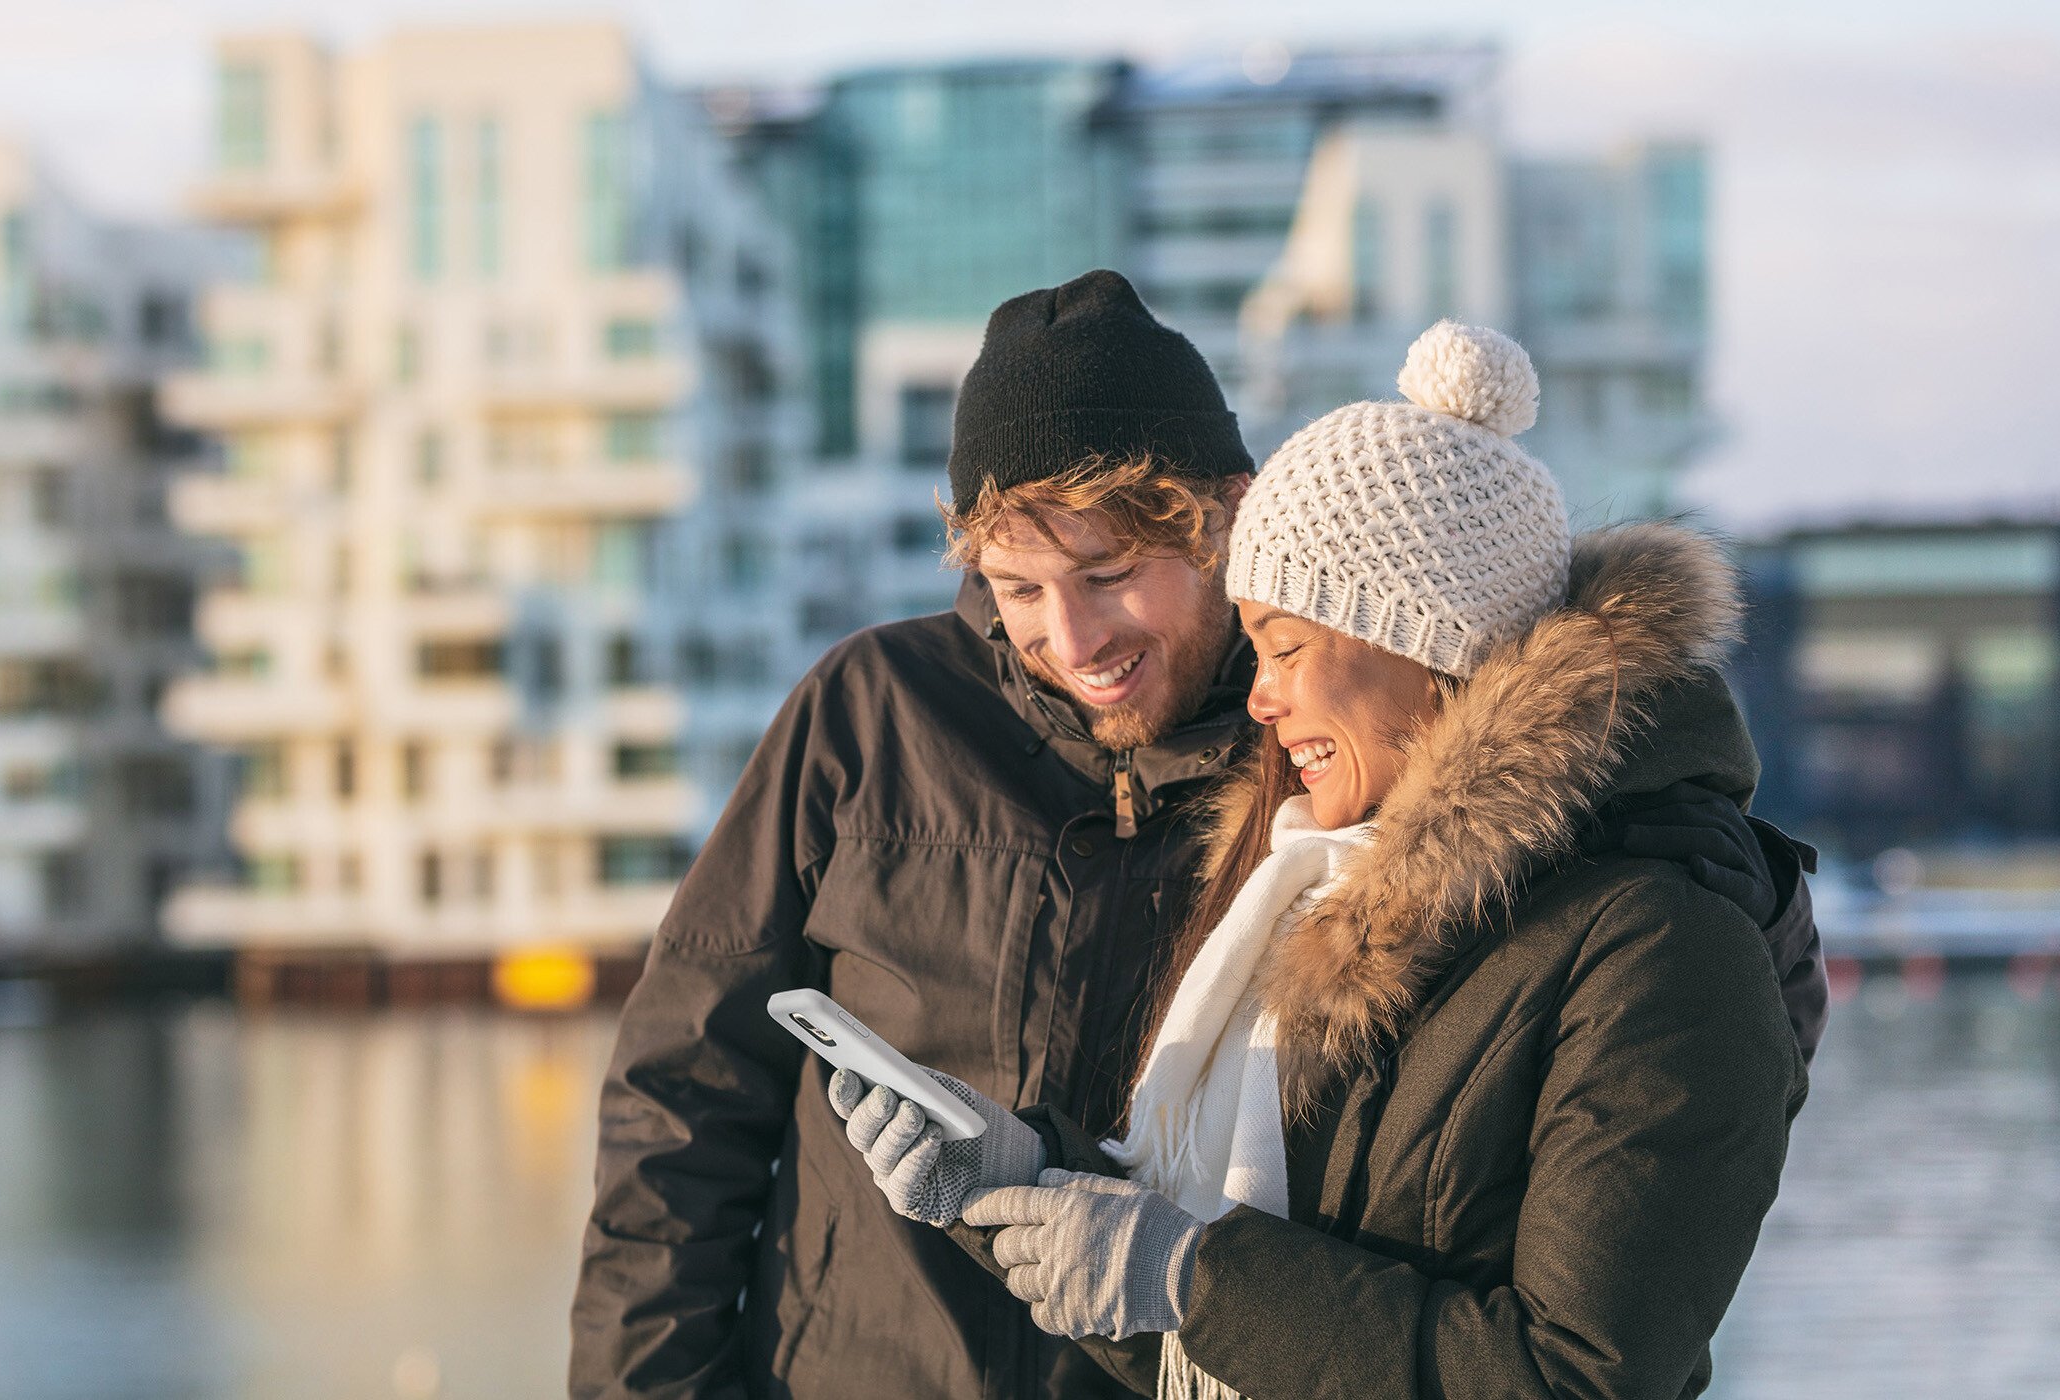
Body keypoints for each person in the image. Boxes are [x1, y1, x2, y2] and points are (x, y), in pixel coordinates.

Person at [571, 276, 1821, 1399]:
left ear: (1223, 521)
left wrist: (1723, 884)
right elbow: (683, 1088)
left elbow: (1529, 1192)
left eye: (1112, 571)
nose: (1070, 638)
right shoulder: (873, 714)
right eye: (1017, 589)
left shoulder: (1320, 786)